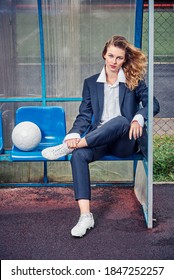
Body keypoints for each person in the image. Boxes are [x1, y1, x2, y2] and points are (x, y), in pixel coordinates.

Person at [42, 35, 160, 237]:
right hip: (99, 139)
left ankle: (74, 145)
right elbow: (85, 115)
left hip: (125, 141)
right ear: (104, 55)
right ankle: (85, 216)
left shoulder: (134, 80)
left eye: (119, 58)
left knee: (122, 120)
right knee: (78, 156)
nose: (114, 62)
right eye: (111, 56)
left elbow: (153, 105)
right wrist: (73, 133)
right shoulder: (90, 83)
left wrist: (138, 118)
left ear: (125, 59)